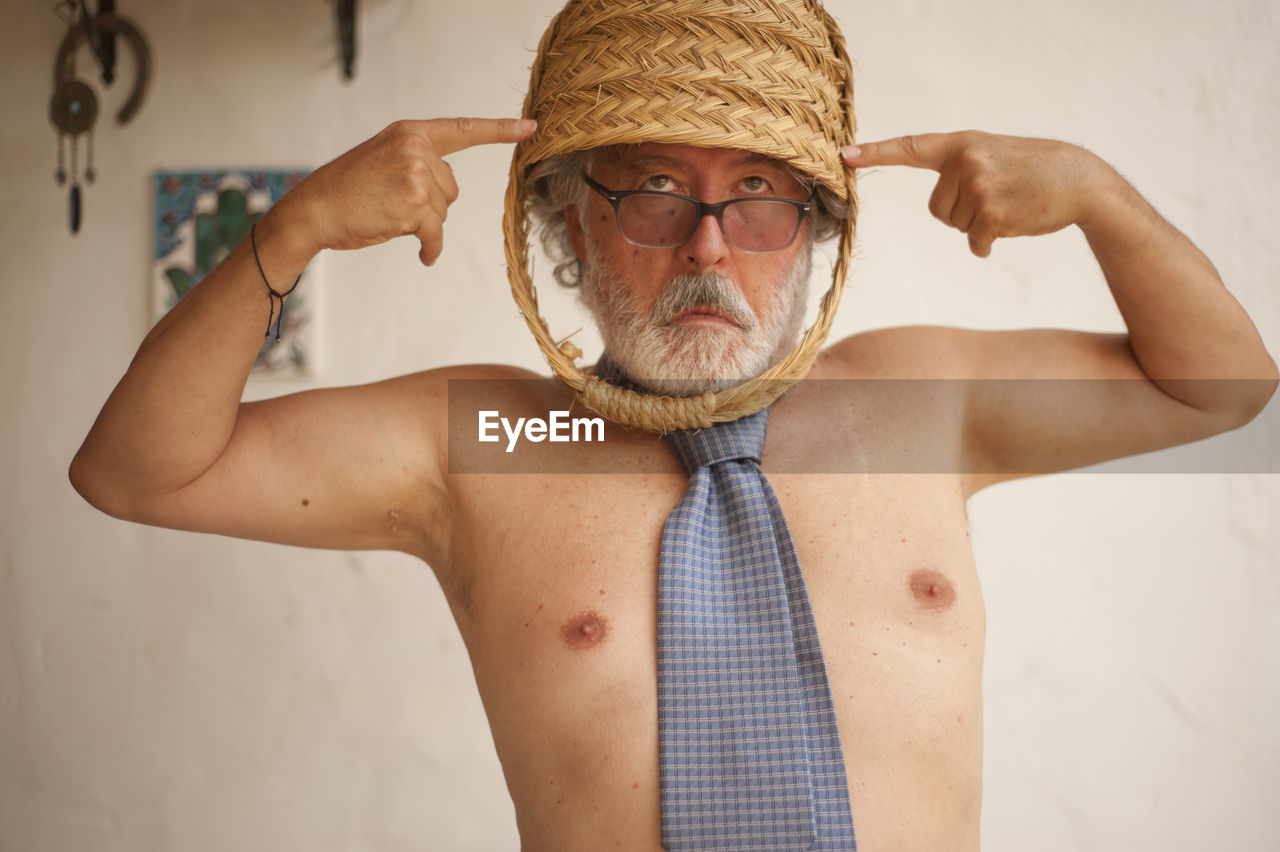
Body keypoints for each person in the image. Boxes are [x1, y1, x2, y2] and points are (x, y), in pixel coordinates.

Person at [69, 1, 1276, 849]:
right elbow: (136, 472)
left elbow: (1221, 387)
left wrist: (1098, 198)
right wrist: (294, 231)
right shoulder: (493, 444)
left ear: (815, 233)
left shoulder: (914, 406)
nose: (707, 247)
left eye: (758, 199)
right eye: (652, 192)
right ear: (567, 226)